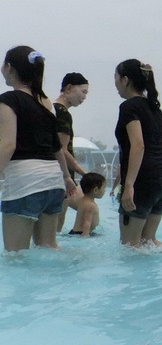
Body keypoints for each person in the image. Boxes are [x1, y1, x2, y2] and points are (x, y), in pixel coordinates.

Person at [0, 46, 77, 251]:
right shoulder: (45, 103)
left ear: (9, 67)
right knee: (49, 247)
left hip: (25, 182)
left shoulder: (8, 100)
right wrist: (66, 177)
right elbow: (56, 146)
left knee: (16, 255)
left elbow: (8, 144)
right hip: (54, 182)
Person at [114, 59, 162, 247]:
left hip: (143, 182)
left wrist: (129, 185)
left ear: (125, 80)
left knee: (130, 246)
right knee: (149, 242)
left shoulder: (129, 106)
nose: (115, 84)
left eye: (116, 78)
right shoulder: (154, 107)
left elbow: (138, 145)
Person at [53, 72, 90, 232]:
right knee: (56, 226)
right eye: (83, 92)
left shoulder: (50, 109)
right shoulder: (63, 114)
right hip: (61, 175)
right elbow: (61, 149)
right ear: (68, 88)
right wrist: (83, 173)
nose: (84, 97)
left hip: (50, 174)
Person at [66, 172, 106, 237]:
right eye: (104, 188)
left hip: (75, 232)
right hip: (82, 233)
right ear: (95, 190)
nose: (105, 190)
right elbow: (87, 222)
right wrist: (85, 235)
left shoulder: (81, 201)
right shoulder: (91, 205)